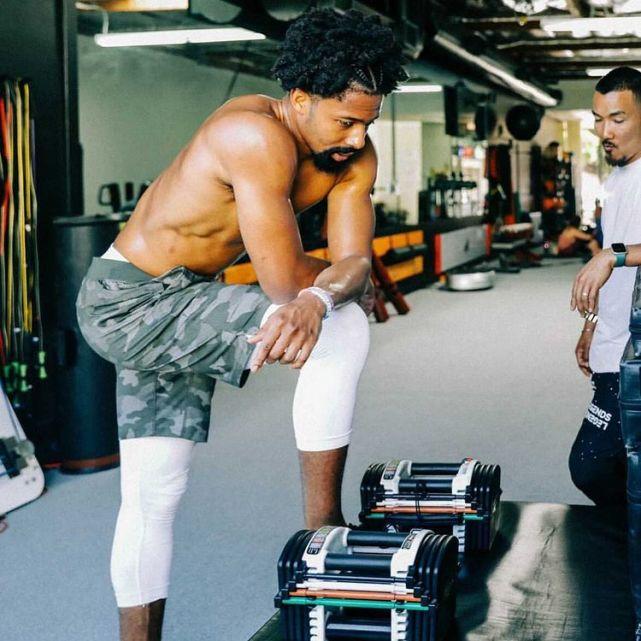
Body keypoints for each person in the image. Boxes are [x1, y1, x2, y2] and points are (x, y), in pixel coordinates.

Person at [76, 9, 407, 640]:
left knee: (154, 491)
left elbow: (357, 264)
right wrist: (328, 291)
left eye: (369, 121)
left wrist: (333, 287)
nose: (359, 137)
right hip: (126, 303)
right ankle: (322, 534)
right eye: (345, 121)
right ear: (300, 99)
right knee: (338, 327)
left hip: (184, 300)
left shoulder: (351, 157)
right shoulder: (253, 135)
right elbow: (289, 282)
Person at [569, 66, 641, 640]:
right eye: (598, 119)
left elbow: (618, 254)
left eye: (616, 118)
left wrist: (610, 255)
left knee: (592, 465)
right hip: (615, 343)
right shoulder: (618, 178)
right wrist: (594, 323)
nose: (603, 131)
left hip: (637, 354)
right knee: (606, 466)